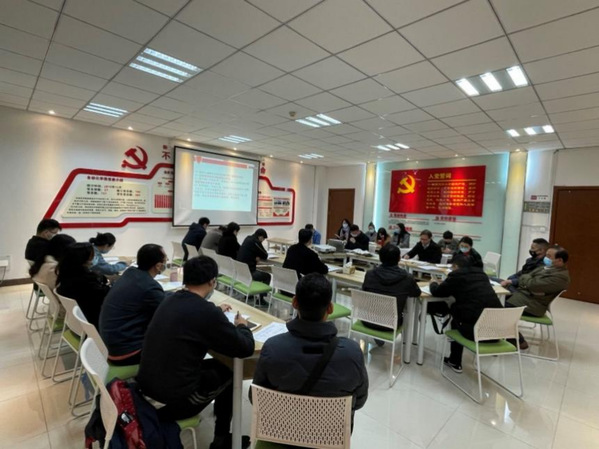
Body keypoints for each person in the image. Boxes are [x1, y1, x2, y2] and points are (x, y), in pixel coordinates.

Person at [137, 256, 254, 449]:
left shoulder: (170, 299)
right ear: (212, 281)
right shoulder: (205, 311)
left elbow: (195, 317)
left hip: (147, 386)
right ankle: (221, 439)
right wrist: (242, 326)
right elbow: (245, 348)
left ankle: (222, 437)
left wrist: (216, 311)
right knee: (232, 371)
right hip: (174, 399)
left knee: (221, 366)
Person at [252, 273, 368, 427]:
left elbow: (255, 397)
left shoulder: (273, 348)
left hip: (282, 432)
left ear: (294, 302)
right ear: (330, 308)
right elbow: (359, 400)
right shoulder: (352, 352)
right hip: (330, 435)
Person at [430, 256, 503, 373]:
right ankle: (454, 360)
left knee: (456, 317)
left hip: (478, 333)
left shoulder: (456, 276)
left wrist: (433, 283)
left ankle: (455, 360)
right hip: (498, 332)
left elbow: (437, 292)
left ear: (456, 266)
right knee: (464, 312)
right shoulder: (482, 275)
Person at [99, 244, 167, 366]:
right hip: (127, 353)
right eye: (165, 260)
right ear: (158, 266)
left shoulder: (130, 273)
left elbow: (158, 299)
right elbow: (168, 313)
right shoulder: (149, 287)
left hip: (110, 345)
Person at [362, 244, 421, 331]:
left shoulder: (370, 274)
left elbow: (364, 289)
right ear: (399, 258)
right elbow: (416, 293)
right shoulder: (407, 278)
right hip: (391, 324)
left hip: (368, 320)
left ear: (380, 258)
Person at [56, 242, 110, 328]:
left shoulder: (65, 275)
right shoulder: (87, 281)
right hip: (95, 324)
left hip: (76, 323)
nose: (94, 257)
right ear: (83, 259)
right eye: (93, 255)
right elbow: (106, 297)